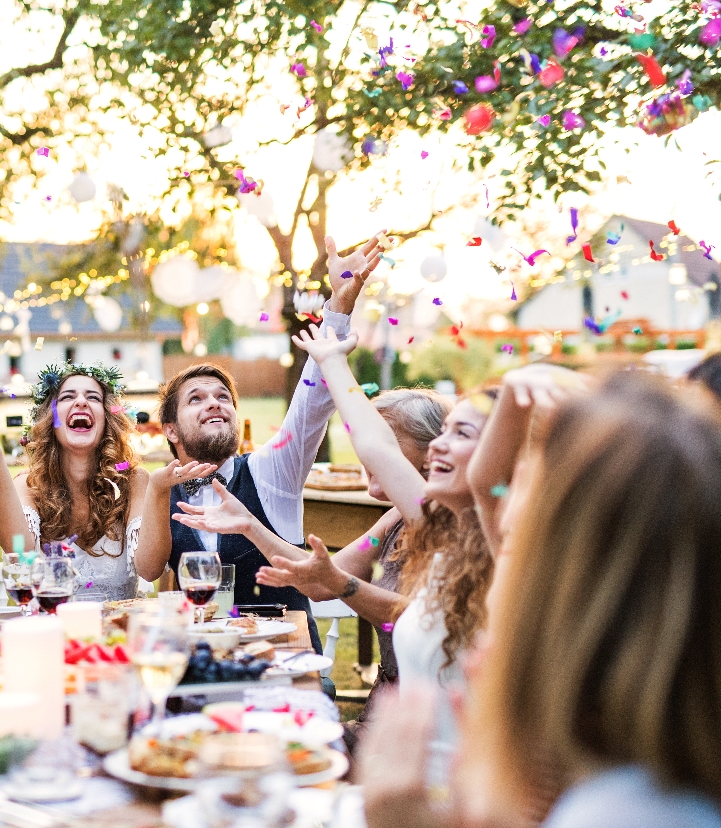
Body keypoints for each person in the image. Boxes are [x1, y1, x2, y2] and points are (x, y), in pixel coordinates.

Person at [362, 373, 721, 828]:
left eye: (517, 545)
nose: (480, 654)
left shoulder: (624, 811)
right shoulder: (692, 771)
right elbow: (485, 482)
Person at [135, 234, 384, 651]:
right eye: (196, 399)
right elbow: (148, 571)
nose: (214, 404)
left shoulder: (271, 472)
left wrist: (339, 305)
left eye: (222, 398)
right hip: (205, 659)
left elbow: (313, 398)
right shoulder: (164, 490)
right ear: (171, 430)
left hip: (287, 662)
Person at [176, 388, 452, 747]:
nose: (366, 454)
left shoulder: (456, 524)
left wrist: (341, 583)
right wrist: (250, 525)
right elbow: (317, 581)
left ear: (432, 452)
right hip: (386, 711)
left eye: (382, 443)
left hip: (431, 724)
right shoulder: (394, 520)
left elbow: (416, 619)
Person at [287, 322, 496, 782]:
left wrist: (334, 362)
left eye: (460, 434)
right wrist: (331, 359)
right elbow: (376, 443)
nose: (439, 443)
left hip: (457, 781)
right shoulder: (438, 521)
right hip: (409, 758)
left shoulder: (498, 544)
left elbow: (378, 446)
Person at [0, 363, 150, 601]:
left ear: (108, 418)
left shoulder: (134, 481)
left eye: (93, 397)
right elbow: (19, 554)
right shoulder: (28, 485)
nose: (81, 402)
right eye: (67, 397)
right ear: (51, 419)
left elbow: (150, 569)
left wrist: (162, 491)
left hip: (117, 633)